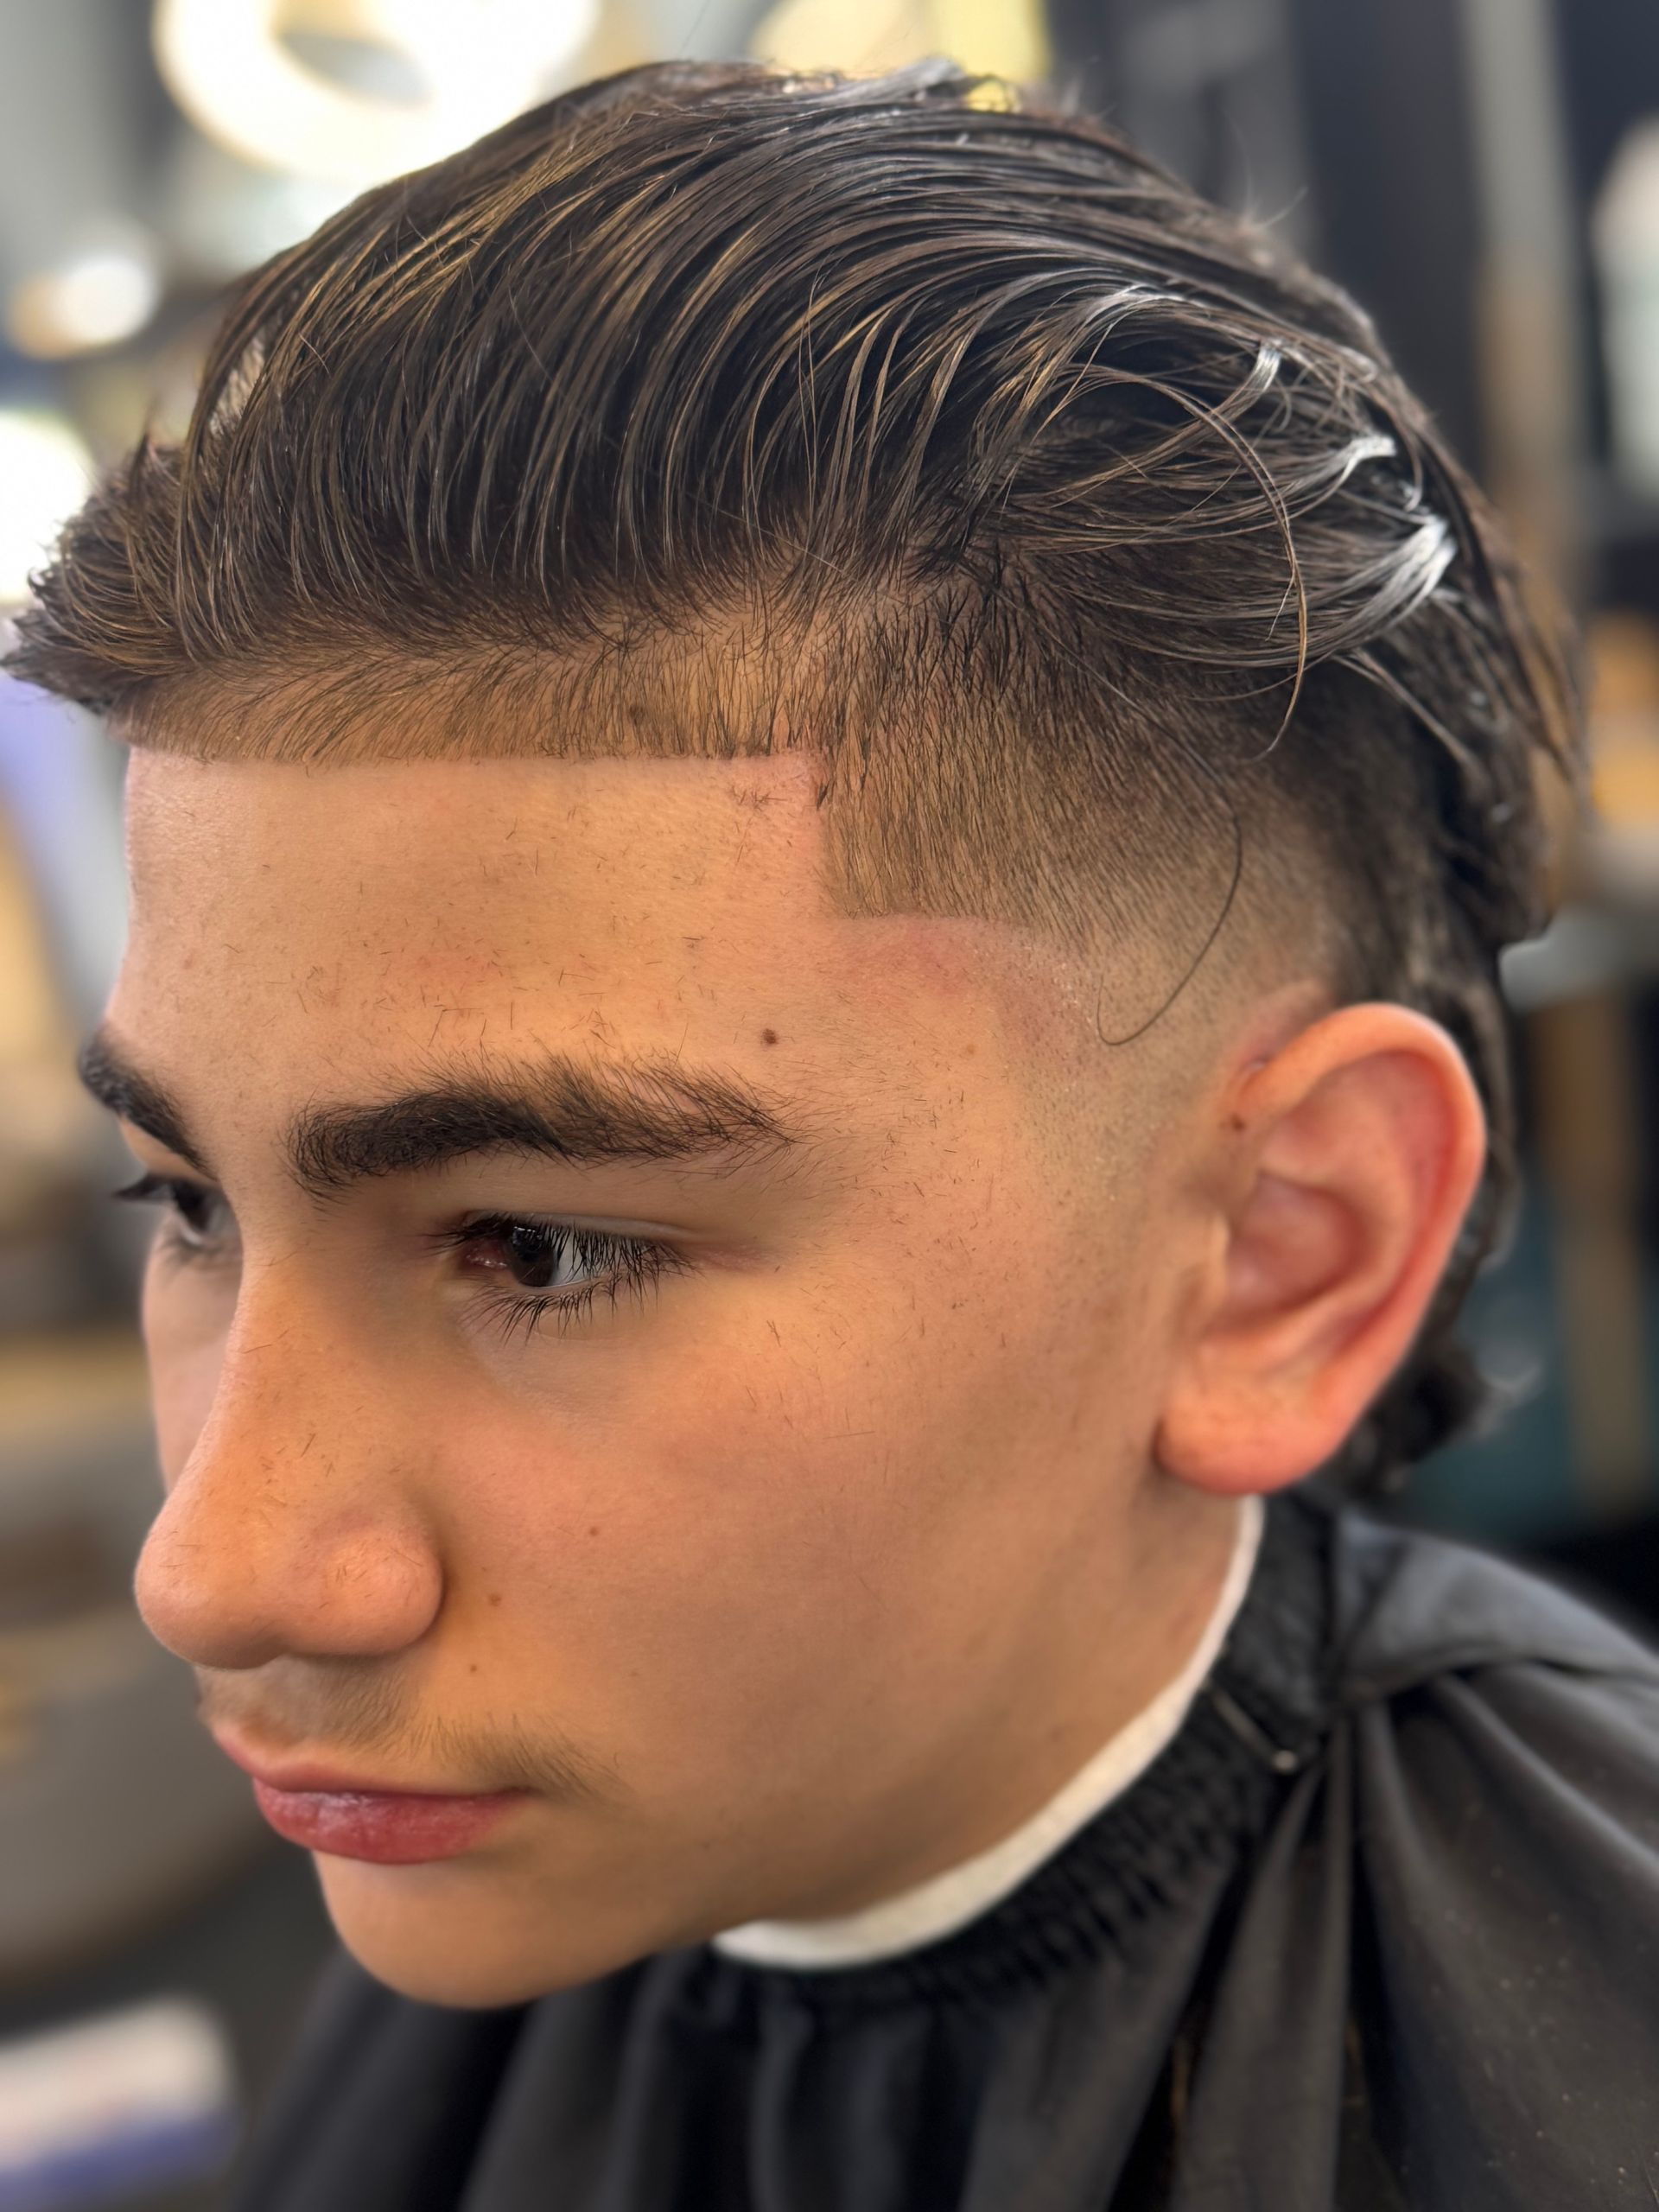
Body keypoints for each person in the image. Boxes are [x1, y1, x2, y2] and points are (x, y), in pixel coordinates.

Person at [12, 57, 1659, 2212]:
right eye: (190, 1198)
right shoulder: (566, 1854)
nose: (212, 1568)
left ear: (1283, 1248)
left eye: (540, 1248)